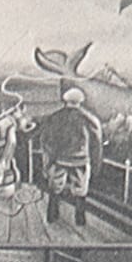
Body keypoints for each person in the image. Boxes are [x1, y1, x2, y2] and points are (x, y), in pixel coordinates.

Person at [39, 87, 103, 226]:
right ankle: (80, 220)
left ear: (65, 100)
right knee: (81, 191)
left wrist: (47, 163)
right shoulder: (90, 119)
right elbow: (96, 143)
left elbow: (46, 141)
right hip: (81, 160)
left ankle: (52, 216)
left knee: (55, 188)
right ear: (81, 101)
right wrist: (96, 163)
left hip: (59, 160)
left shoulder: (55, 117)